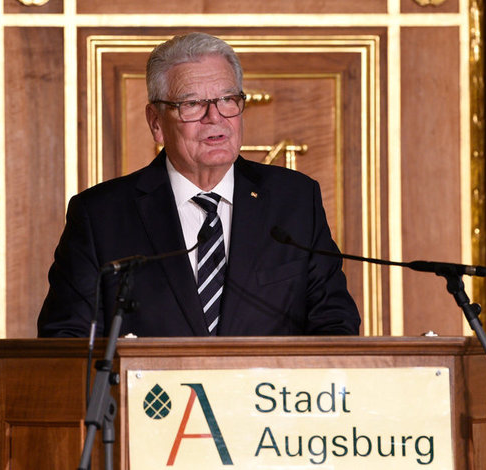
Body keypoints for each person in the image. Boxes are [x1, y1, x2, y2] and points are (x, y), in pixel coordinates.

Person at [37, 32, 360, 338]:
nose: (215, 117)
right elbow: (66, 337)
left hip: (269, 394)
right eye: (192, 104)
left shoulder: (294, 199)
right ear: (156, 122)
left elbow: (334, 321)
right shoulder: (101, 215)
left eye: (227, 99)